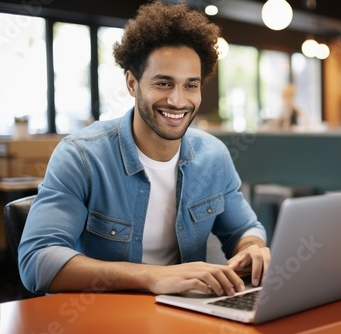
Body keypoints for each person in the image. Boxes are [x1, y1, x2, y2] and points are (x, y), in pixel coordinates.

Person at [18, 0, 270, 297]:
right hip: (100, 318)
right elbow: (37, 262)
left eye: (191, 85)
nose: (178, 101)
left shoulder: (213, 156)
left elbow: (244, 229)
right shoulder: (81, 156)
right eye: (163, 83)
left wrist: (254, 249)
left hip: (183, 314)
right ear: (131, 83)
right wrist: (153, 277)